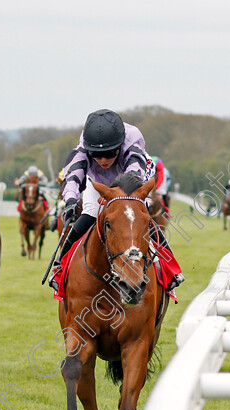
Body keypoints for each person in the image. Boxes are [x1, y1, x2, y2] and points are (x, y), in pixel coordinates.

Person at [48, 109, 184, 292]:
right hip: (99, 182)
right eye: (96, 155)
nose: (103, 160)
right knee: (88, 213)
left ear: (120, 146)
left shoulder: (133, 139)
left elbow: (134, 173)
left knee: (137, 218)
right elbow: (73, 175)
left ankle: (170, 270)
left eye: (110, 153)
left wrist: (119, 198)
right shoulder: (84, 145)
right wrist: (71, 200)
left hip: (131, 181)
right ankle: (59, 268)